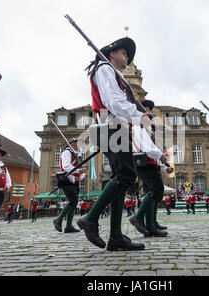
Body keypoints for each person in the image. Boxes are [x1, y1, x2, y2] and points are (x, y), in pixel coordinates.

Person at [77, 37, 150, 251]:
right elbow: (113, 103)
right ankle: (90, 218)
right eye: (124, 53)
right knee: (126, 175)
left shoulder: (112, 73)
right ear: (112, 54)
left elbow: (116, 103)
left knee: (122, 177)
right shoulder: (105, 69)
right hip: (110, 126)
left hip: (114, 127)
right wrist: (138, 116)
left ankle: (116, 237)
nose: (127, 57)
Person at [128, 100, 172, 237]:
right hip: (144, 162)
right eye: (145, 110)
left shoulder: (147, 129)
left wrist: (164, 166)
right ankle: (139, 218)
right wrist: (160, 156)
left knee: (154, 191)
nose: (149, 113)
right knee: (155, 190)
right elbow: (146, 147)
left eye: (149, 111)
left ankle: (151, 225)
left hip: (150, 162)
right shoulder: (138, 125)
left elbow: (155, 149)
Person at [53, 138, 85, 233]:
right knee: (73, 201)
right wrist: (78, 171)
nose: (79, 145)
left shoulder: (77, 156)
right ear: (72, 144)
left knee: (74, 203)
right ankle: (58, 219)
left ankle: (69, 226)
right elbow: (66, 166)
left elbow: (82, 170)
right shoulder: (67, 153)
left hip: (74, 182)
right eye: (77, 143)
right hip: (66, 180)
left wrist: (81, 176)